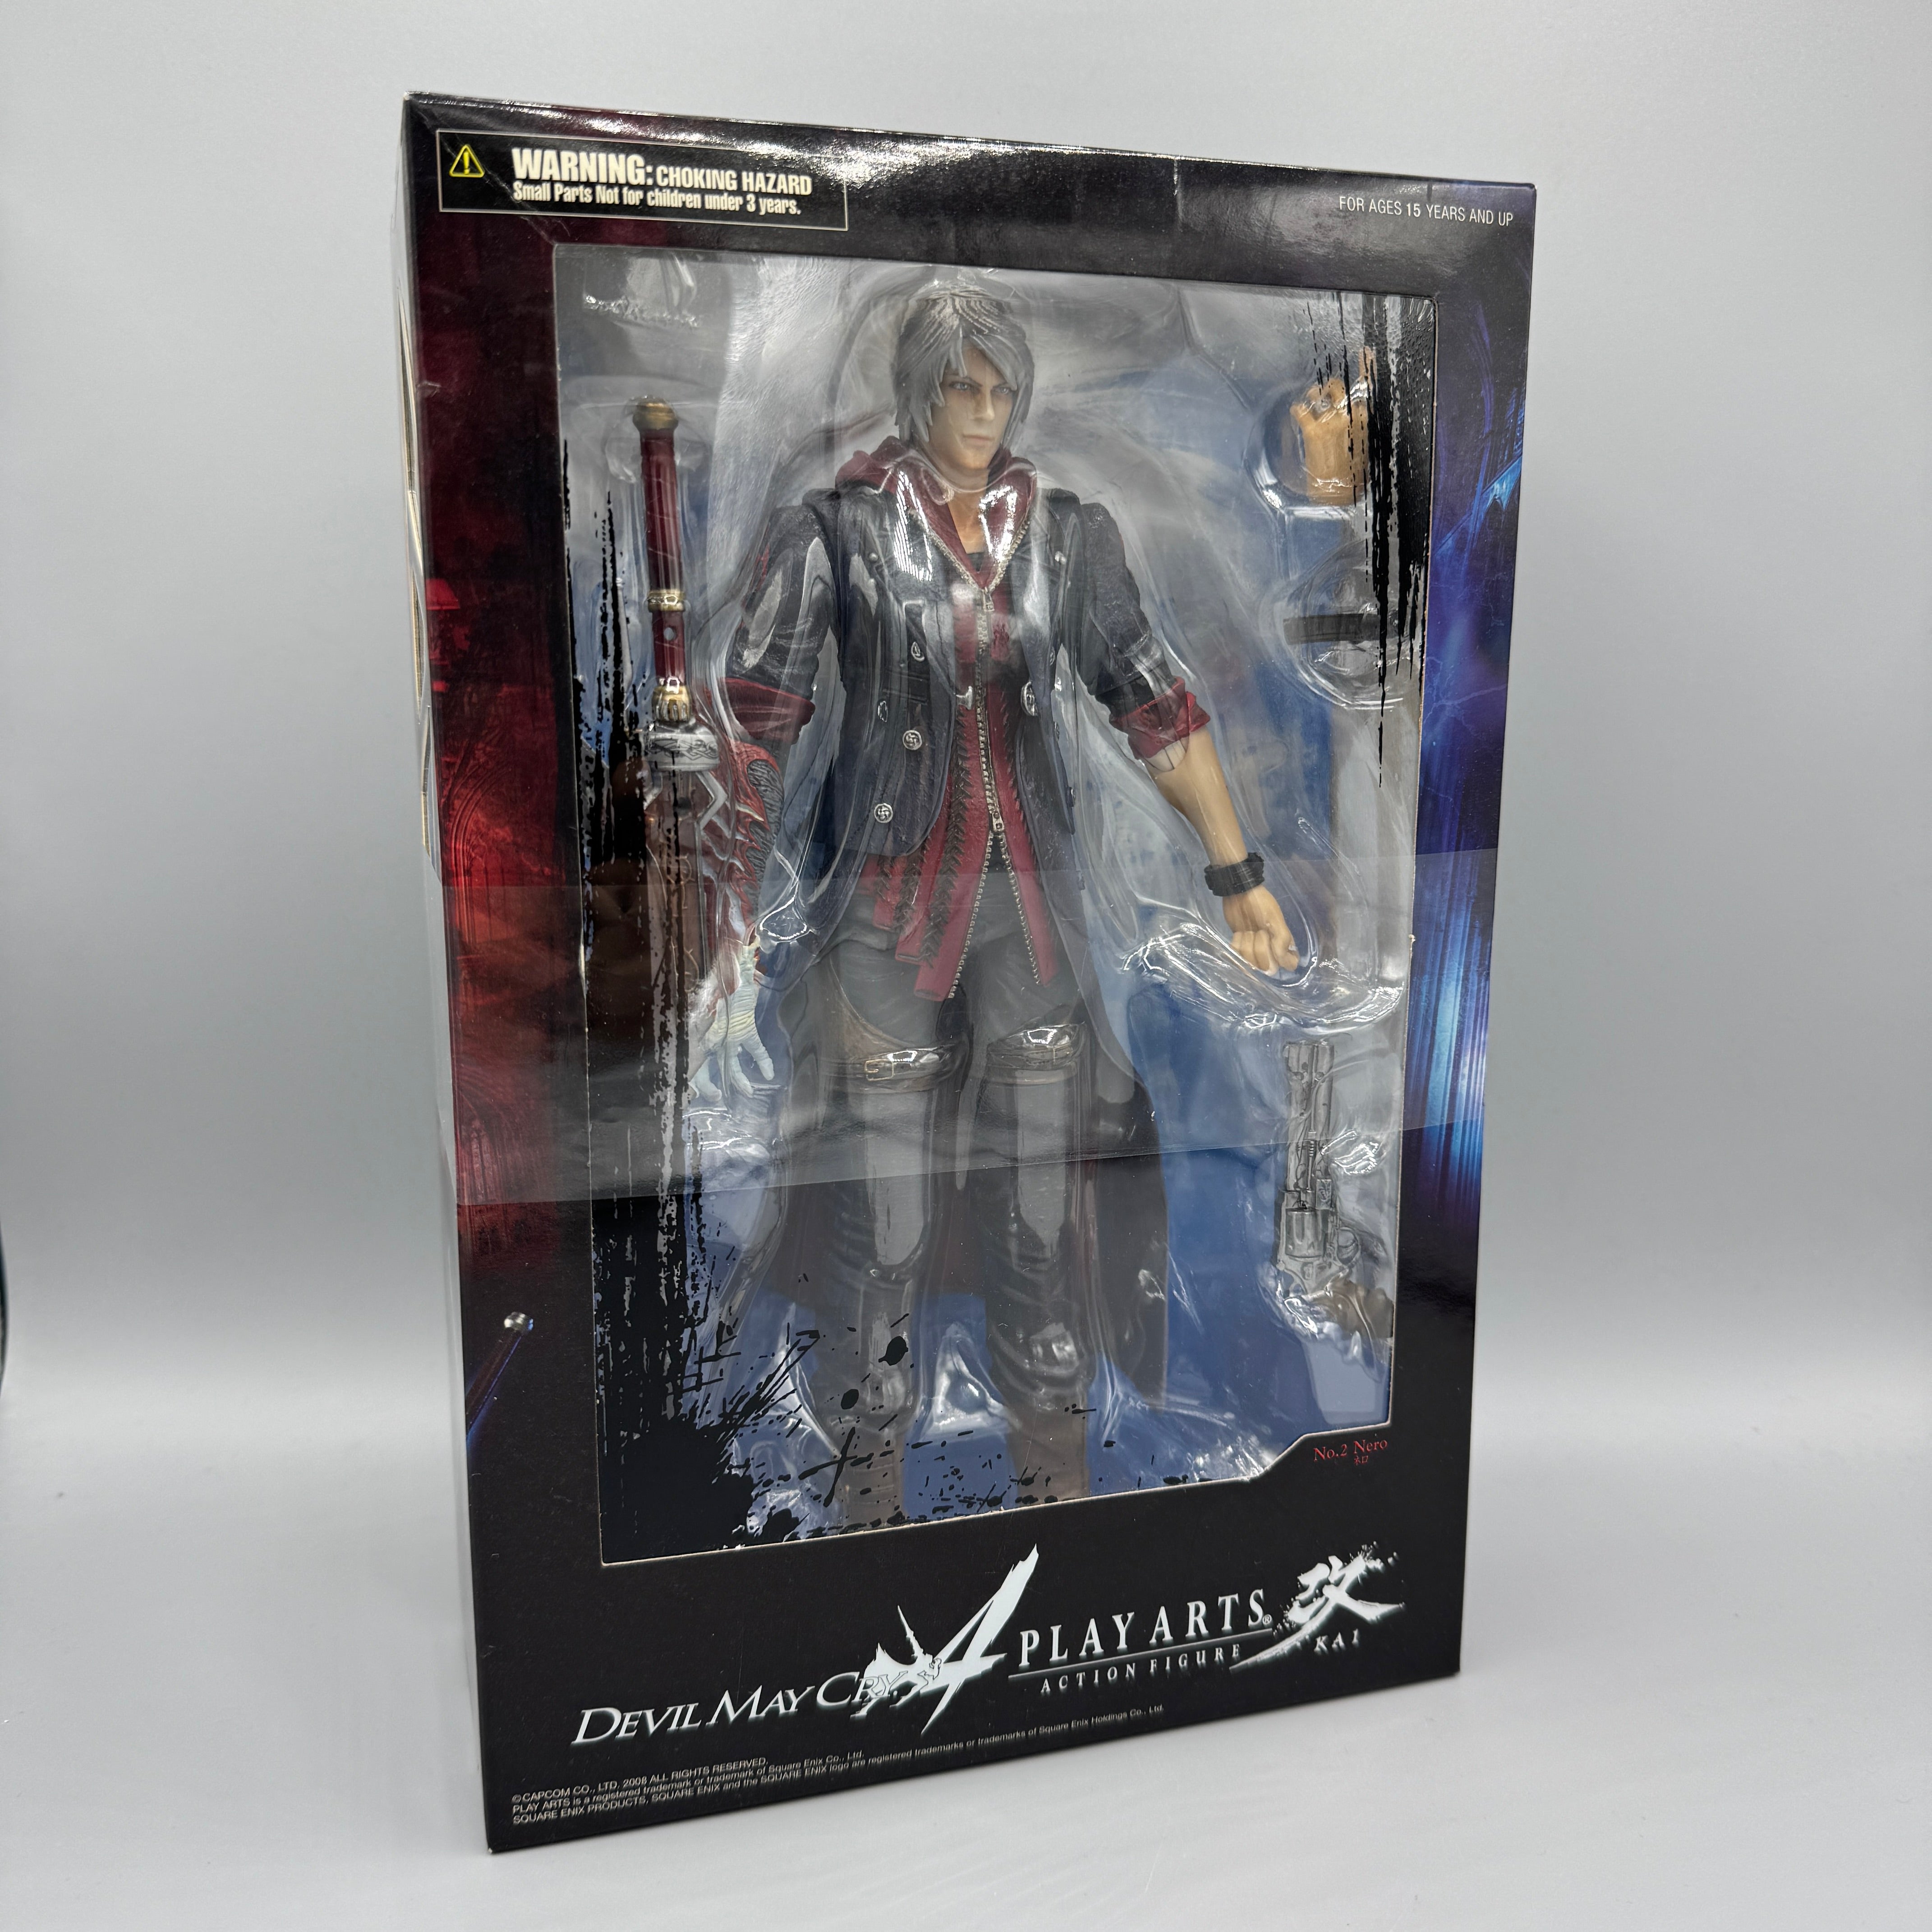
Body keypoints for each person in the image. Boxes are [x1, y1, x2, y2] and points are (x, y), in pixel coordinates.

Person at [710, 288, 1295, 1528]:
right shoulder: (835, 533)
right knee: (884, 1232)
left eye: (997, 390)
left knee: (1037, 1229)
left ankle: (1056, 1501)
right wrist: (723, 903)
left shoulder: (1069, 539)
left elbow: (1156, 708)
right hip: (881, 921)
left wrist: (1238, 876)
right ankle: (864, 1507)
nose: (980, 414)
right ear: (915, 391)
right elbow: (757, 726)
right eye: (957, 388)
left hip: (1029, 924)